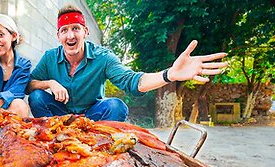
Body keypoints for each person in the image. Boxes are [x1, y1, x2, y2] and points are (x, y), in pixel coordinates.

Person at [27, 4, 228, 121]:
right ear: (58, 36)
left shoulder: (103, 57)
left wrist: (169, 75)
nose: (70, 35)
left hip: (92, 115)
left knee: (117, 106)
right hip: (59, 118)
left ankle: (99, 149)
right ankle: (52, 141)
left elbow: (133, 81)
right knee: (37, 97)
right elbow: (29, 85)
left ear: (85, 32)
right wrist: (50, 83)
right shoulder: (49, 57)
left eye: (76, 28)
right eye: (64, 30)